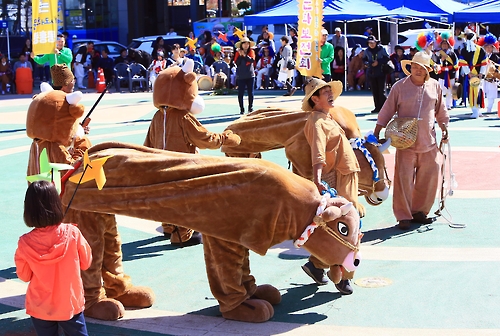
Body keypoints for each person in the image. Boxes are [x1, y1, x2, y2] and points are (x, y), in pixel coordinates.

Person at [372, 51, 449, 230]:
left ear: (428, 69)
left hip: (428, 142)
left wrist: (444, 128)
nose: (417, 70)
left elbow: (441, 111)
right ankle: (403, 216)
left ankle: (420, 212)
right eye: (414, 66)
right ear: (410, 67)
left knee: (428, 179)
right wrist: (377, 130)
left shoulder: (435, 86)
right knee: (403, 180)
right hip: (404, 143)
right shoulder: (399, 87)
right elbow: (387, 109)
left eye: (421, 67)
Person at [300, 77, 361, 295]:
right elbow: (317, 152)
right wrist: (318, 178)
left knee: (348, 225)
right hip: (335, 179)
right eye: (324, 92)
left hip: (345, 176)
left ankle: (316, 266)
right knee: (344, 228)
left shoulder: (327, 118)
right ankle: (343, 276)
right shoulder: (316, 121)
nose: (330, 94)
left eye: (329, 91)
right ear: (315, 99)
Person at [15, 180, 92, 336]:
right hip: (69, 304)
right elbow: (86, 262)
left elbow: (24, 276)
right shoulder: (73, 233)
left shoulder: (25, 242)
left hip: (40, 307)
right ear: (56, 203)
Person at [459, 31, 488, 118]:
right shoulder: (480, 49)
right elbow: (484, 63)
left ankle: (476, 110)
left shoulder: (464, 50)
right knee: (476, 91)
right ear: (475, 40)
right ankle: (475, 110)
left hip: (472, 74)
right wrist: (480, 73)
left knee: (475, 91)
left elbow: (463, 63)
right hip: (475, 74)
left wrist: (469, 73)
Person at [363, 35, 389, 113]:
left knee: (382, 91)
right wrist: (367, 63)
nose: (371, 44)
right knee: (374, 91)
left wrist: (378, 62)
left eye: (372, 42)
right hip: (371, 72)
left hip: (381, 71)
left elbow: (387, 58)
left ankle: (385, 108)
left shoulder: (381, 49)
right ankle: (377, 107)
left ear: (376, 42)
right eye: (369, 43)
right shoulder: (366, 51)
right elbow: (364, 59)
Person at [477, 33, 499, 114]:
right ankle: (479, 108)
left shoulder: (496, 58)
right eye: (487, 47)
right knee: (480, 92)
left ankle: (489, 108)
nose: (489, 49)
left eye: (491, 47)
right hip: (482, 77)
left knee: (491, 93)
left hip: (492, 79)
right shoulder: (480, 56)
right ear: (484, 47)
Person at [435, 33, 458, 110]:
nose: (444, 45)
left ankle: (449, 105)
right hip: (442, 74)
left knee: (450, 90)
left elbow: (456, 65)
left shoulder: (452, 54)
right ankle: (441, 105)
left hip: (451, 74)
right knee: (441, 90)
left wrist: (456, 75)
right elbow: (436, 64)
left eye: (446, 44)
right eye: (443, 44)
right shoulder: (438, 54)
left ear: (449, 45)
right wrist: (441, 61)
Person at [234, 37, 256, 114]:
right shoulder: (237, 53)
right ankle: (241, 108)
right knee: (240, 93)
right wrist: (241, 55)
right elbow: (237, 63)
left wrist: (245, 55)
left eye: (247, 44)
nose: (246, 45)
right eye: (244, 43)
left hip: (250, 75)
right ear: (241, 45)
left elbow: (252, 60)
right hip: (241, 75)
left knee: (251, 92)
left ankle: (250, 107)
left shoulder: (251, 51)